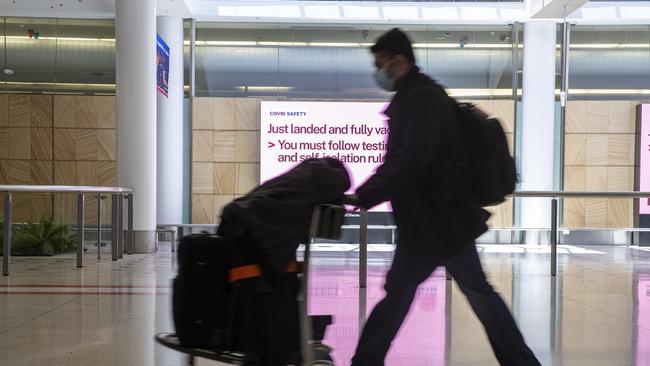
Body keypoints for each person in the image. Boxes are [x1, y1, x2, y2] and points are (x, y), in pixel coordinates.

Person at [345, 28, 541, 366]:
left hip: (436, 221)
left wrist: (366, 194)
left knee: (415, 293)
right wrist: (368, 193)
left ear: (400, 61)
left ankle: (366, 360)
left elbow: (410, 161)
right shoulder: (419, 97)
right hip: (436, 219)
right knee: (463, 292)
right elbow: (404, 161)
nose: (378, 72)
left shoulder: (421, 99)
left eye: (381, 64)